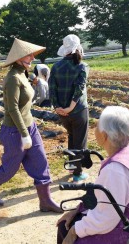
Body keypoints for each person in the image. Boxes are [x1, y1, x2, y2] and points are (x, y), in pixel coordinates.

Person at [56, 106, 129, 244]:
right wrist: (78, 210)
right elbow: (105, 201)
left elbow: (105, 219)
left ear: (104, 135)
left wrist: (74, 231)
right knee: (69, 223)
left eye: (97, 125)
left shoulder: (115, 170)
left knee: (65, 230)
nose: (95, 129)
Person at [0, 38, 62, 213]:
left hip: (29, 126)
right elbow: (12, 108)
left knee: (41, 161)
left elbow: (25, 101)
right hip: (14, 131)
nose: (32, 58)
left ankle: (45, 201)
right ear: (18, 58)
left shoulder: (23, 74)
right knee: (10, 167)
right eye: (28, 55)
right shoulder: (12, 78)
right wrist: (24, 134)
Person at [49, 34, 89, 182]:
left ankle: (72, 166)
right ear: (77, 47)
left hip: (62, 113)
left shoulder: (55, 66)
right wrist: (71, 107)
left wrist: (58, 108)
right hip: (78, 110)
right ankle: (78, 173)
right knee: (80, 141)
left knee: (72, 137)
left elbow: (51, 89)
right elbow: (79, 89)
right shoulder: (82, 66)